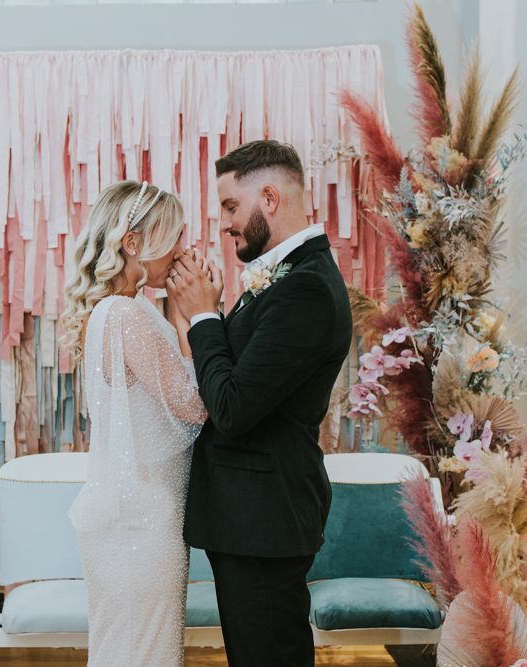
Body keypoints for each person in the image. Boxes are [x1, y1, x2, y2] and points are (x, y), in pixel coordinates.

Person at [167, 140, 353, 667]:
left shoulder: (307, 289)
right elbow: (239, 376)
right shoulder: (286, 278)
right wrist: (202, 317)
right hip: (252, 517)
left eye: (230, 206)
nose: (225, 223)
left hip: (265, 519)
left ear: (269, 197)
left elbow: (231, 406)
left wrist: (206, 317)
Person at [61, 180, 217, 666]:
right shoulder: (126, 315)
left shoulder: (121, 311)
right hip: (142, 524)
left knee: (126, 649)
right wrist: (202, 313)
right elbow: (195, 406)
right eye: (174, 235)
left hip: (132, 517)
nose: (183, 250)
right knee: (143, 652)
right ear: (133, 243)